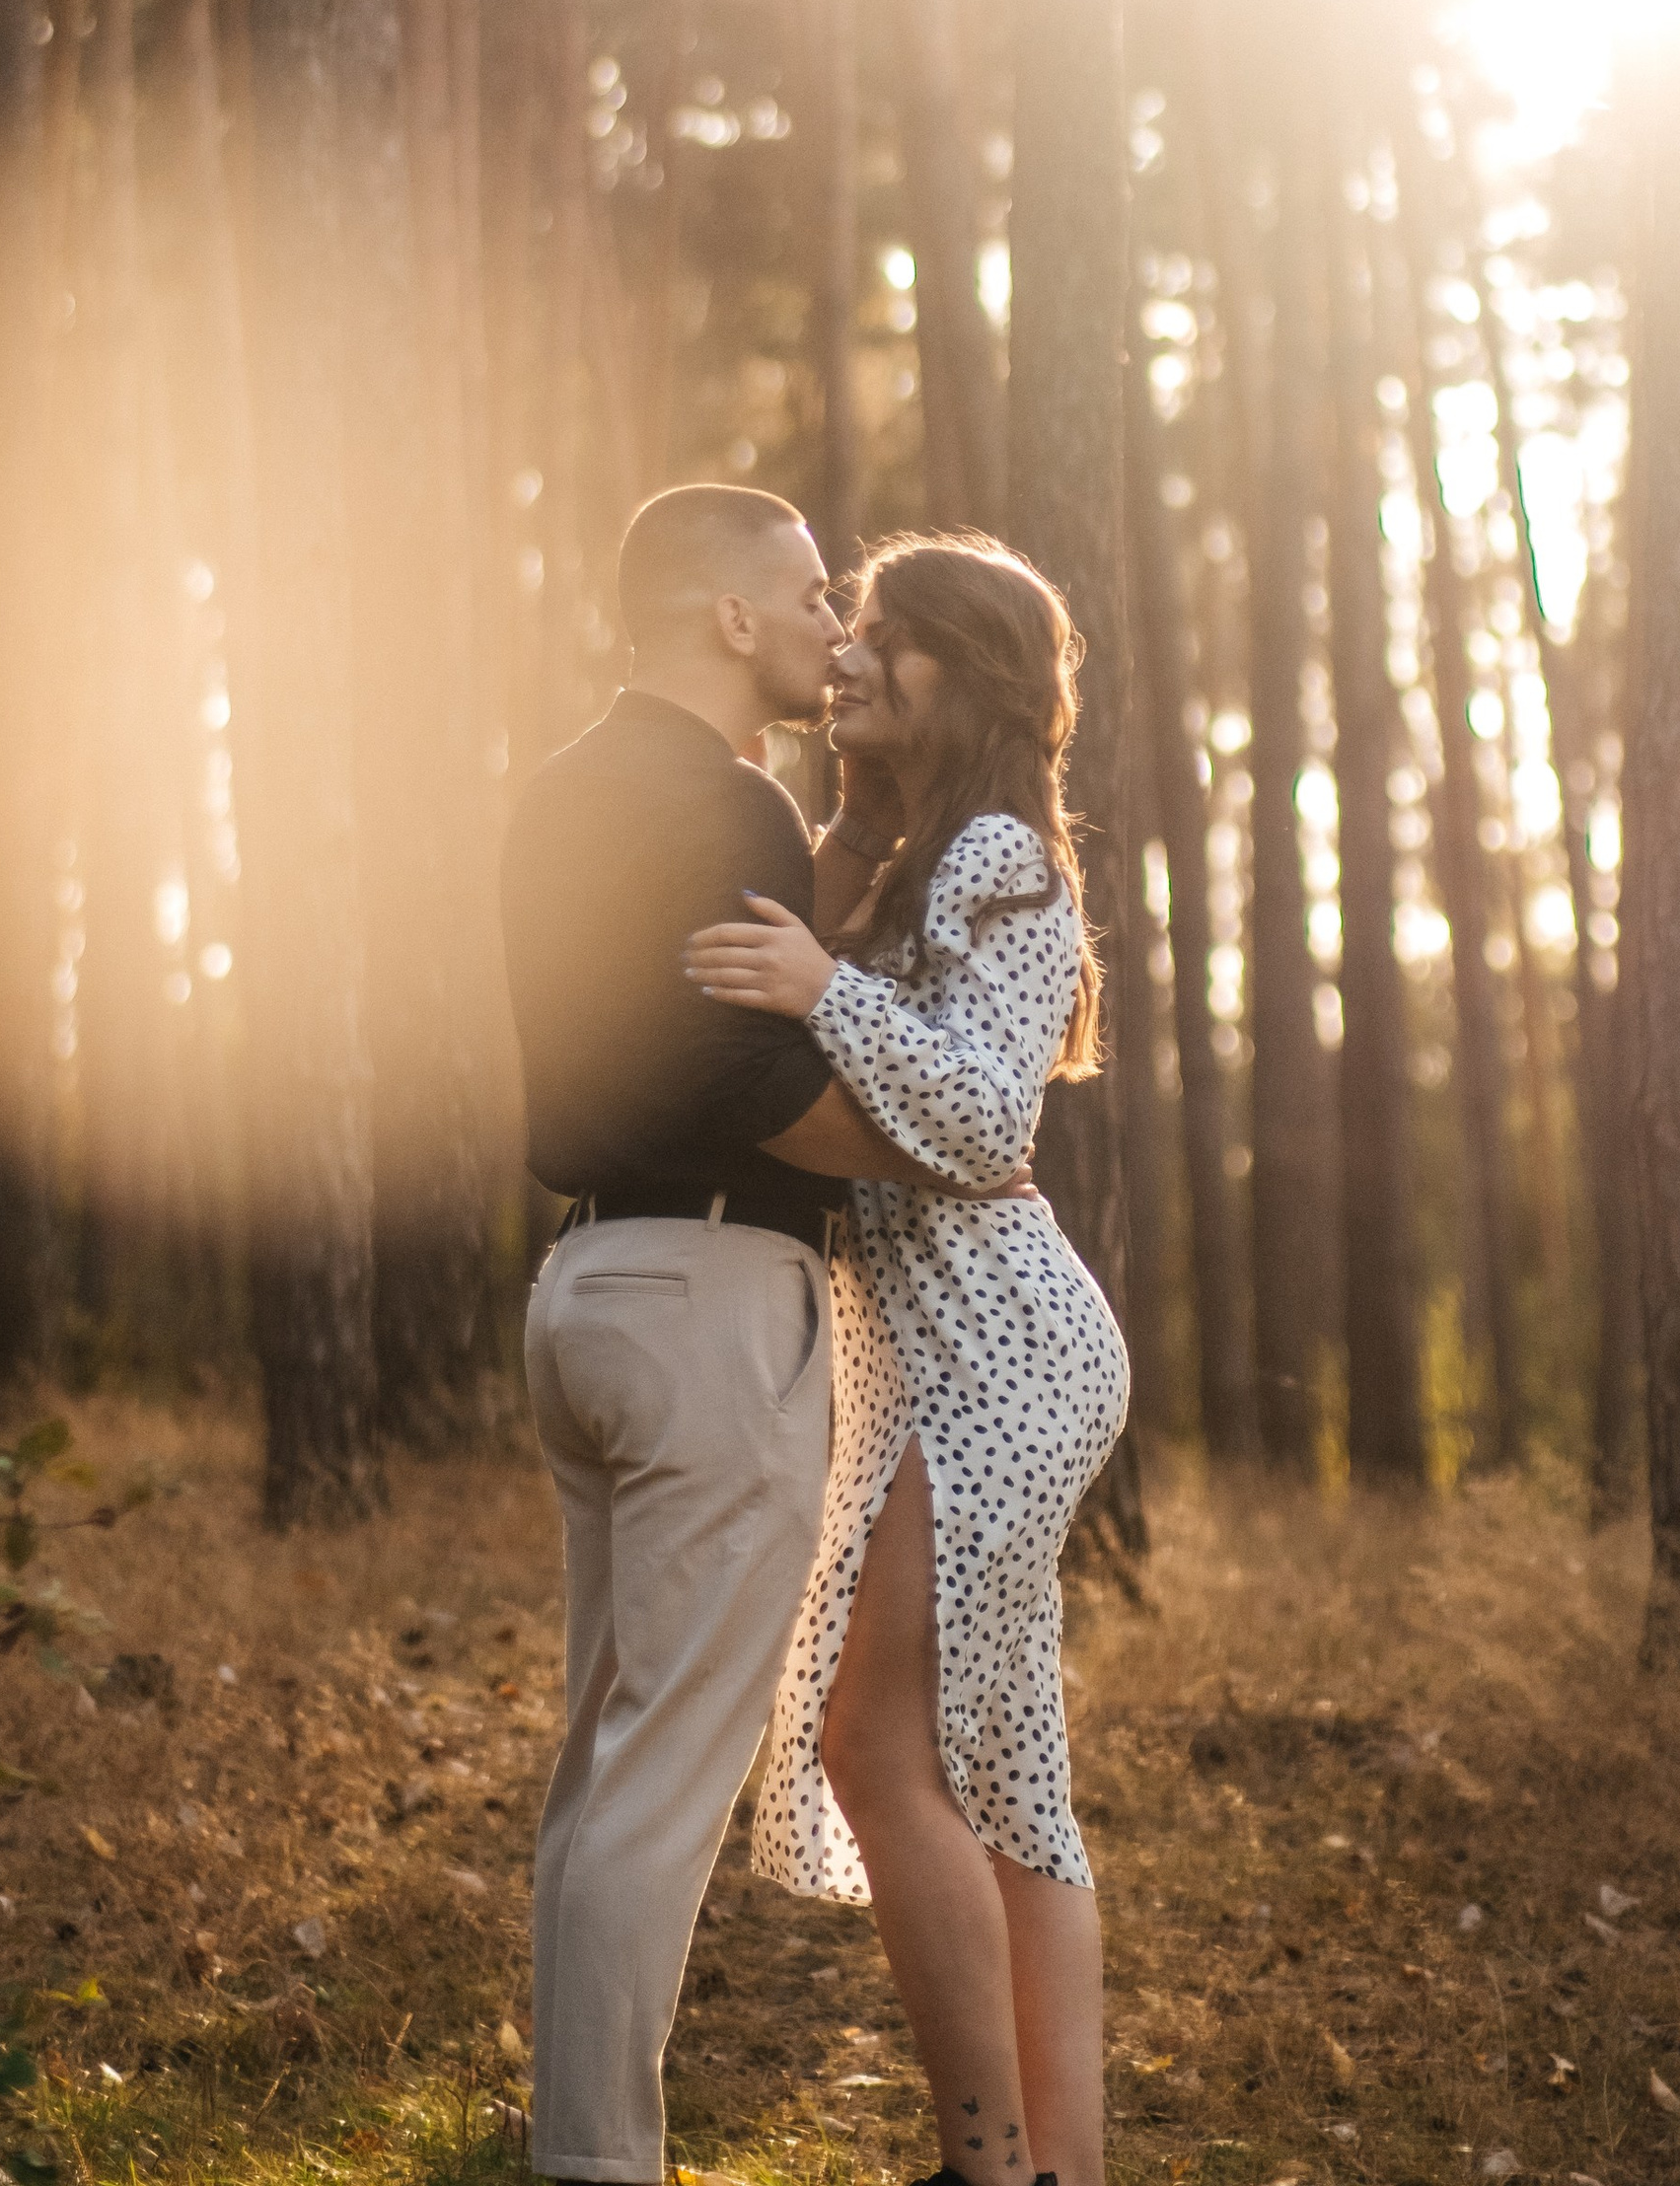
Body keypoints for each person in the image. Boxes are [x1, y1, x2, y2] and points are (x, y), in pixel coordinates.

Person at [502, 483, 1021, 2186]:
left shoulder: (565, 790)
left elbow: (643, 1041)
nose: (835, 625)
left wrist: (845, 868)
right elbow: (746, 1073)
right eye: (810, 595)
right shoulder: (725, 799)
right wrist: (946, 1146)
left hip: (581, 1293)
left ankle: (577, 2143)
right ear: (729, 619)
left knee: (602, 1769)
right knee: (662, 1780)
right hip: (714, 1303)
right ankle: (597, 2165)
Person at [685, 532, 1132, 2186]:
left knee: (876, 1745)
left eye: (889, 633)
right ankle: (1057, 2170)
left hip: (1008, 1341)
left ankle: (987, 2161)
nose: (854, 652)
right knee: (1007, 1773)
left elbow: (981, 1116)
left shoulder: (1004, 850)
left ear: (973, 674)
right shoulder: (892, 851)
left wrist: (821, 985)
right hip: (923, 1351)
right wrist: (826, 908)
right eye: (849, 623)